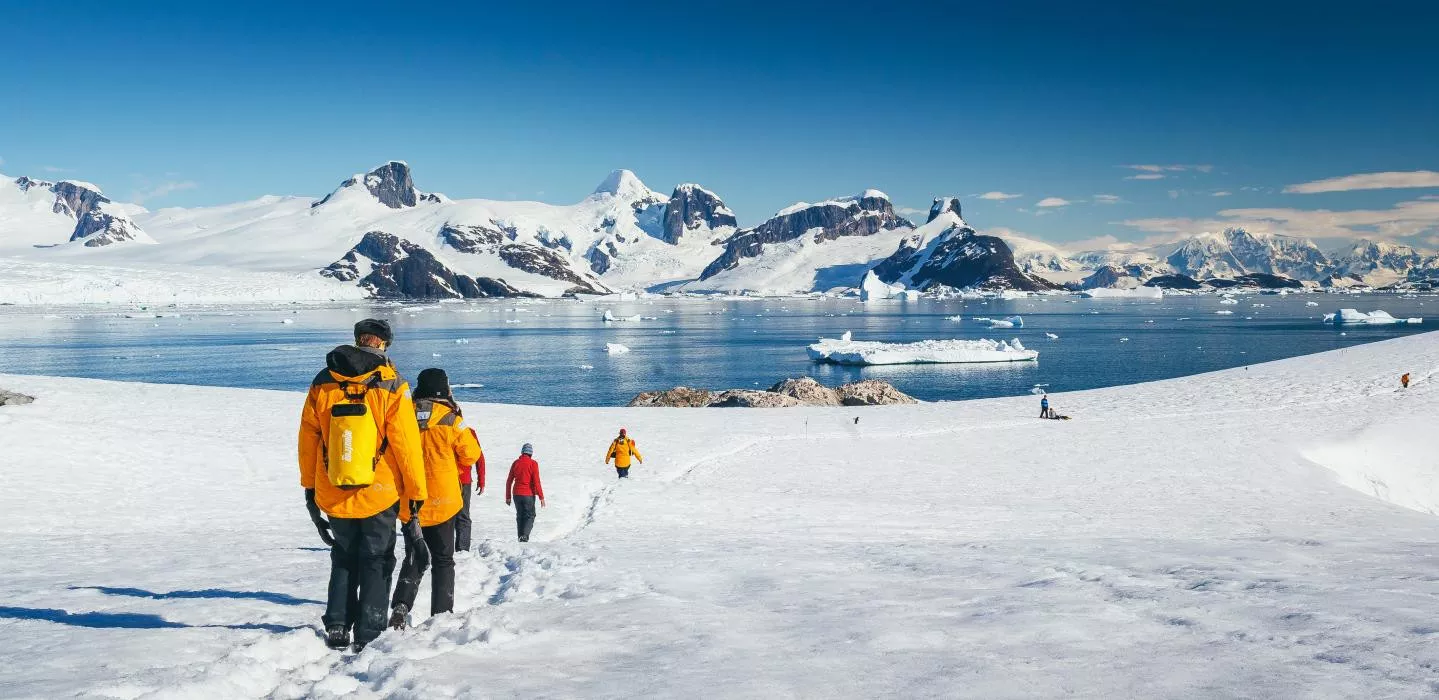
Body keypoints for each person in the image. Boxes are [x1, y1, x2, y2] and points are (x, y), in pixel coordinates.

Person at [298, 319, 426, 652]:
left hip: (333, 486)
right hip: (379, 492)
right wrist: (415, 494)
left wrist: (310, 487)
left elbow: (308, 439)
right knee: (377, 559)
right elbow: (407, 447)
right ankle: (369, 631)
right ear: (383, 344)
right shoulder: (391, 384)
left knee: (343, 555)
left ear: (358, 341)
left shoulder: (323, 381)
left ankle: (338, 623)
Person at [389, 368, 482, 630]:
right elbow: (471, 455)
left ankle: (401, 605)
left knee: (414, 557)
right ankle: (441, 616)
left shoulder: (403, 414)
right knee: (443, 560)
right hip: (443, 502)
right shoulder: (451, 419)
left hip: (411, 503)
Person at [506, 444, 545, 542]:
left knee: (520, 515)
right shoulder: (533, 464)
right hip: (528, 494)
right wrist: (541, 497)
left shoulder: (516, 463)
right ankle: (524, 536)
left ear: (522, 452)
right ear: (531, 453)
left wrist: (508, 497)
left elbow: (509, 480)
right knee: (530, 515)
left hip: (516, 494)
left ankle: (521, 537)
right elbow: (536, 481)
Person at [455, 426, 485, 553]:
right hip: (463, 480)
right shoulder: (468, 432)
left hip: (445, 479)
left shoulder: (439, 427)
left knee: (444, 516)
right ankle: (462, 550)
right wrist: (481, 479)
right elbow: (479, 456)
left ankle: (447, 549)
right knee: (462, 515)